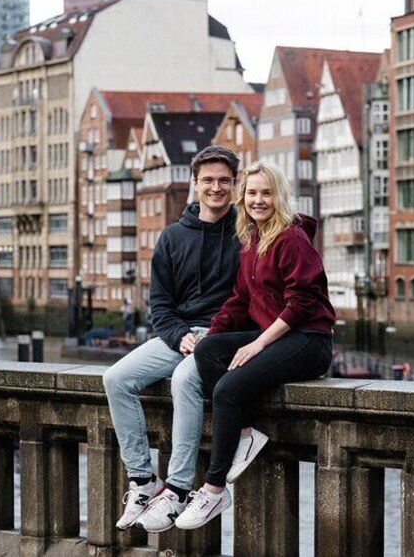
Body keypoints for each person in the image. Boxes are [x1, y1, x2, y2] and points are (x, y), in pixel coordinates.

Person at [175, 161, 336, 530]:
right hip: (279, 335)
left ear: (279, 196)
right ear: (242, 197)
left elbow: (302, 303)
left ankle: (214, 490)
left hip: (309, 339)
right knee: (208, 352)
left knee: (227, 390)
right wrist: (210, 337)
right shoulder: (251, 239)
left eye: (267, 193)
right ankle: (245, 433)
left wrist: (257, 345)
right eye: (251, 193)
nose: (258, 200)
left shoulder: (291, 238)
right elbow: (240, 300)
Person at [102, 145, 241, 532]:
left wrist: (214, 337)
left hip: (223, 337)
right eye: (208, 180)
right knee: (115, 379)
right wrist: (180, 335)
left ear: (234, 184)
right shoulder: (171, 238)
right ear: (194, 183)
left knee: (183, 381)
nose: (216, 188)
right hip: (179, 335)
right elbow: (159, 306)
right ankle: (143, 480)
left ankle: (177, 489)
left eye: (224, 181)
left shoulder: (246, 234)